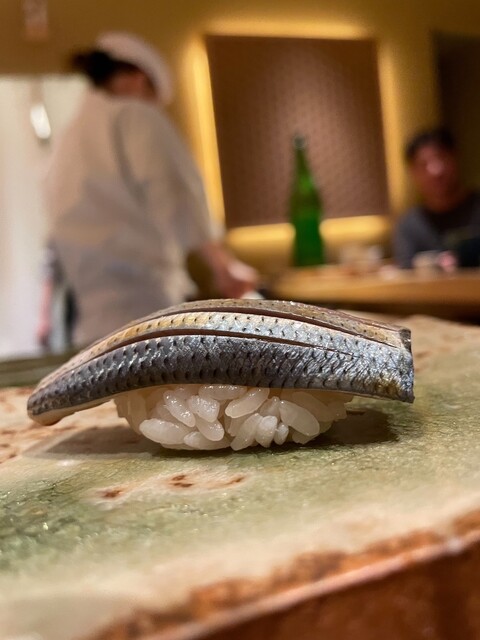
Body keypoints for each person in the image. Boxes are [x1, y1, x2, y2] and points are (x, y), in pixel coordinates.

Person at [41, 31, 257, 347]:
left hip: (92, 323)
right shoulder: (134, 114)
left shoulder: (68, 136)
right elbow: (174, 193)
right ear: (141, 80)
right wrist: (224, 266)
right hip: (145, 306)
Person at [393, 127, 480, 269]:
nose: (435, 170)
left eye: (441, 158)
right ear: (413, 173)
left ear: (455, 158)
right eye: (423, 164)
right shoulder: (409, 225)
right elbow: (406, 269)